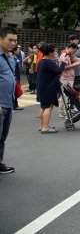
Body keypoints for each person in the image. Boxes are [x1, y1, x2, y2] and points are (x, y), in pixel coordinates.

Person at [36, 43, 69, 133]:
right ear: (50, 52)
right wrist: (63, 63)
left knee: (43, 106)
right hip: (48, 86)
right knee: (48, 106)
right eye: (54, 51)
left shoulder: (41, 61)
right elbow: (58, 71)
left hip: (42, 85)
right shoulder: (48, 62)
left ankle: (42, 125)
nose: (55, 53)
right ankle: (45, 127)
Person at [0, 27, 18, 173]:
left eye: (15, 40)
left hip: (8, 102)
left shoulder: (10, 57)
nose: (12, 43)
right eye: (9, 40)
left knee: (2, 135)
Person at [59, 43, 80, 118]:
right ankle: (66, 113)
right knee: (67, 96)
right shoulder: (65, 55)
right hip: (66, 77)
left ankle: (62, 111)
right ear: (71, 48)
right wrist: (74, 65)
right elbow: (65, 67)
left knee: (64, 96)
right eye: (74, 51)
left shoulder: (66, 55)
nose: (74, 53)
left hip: (67, 77)